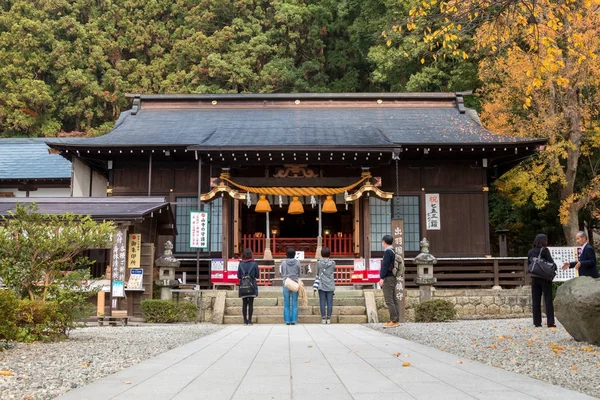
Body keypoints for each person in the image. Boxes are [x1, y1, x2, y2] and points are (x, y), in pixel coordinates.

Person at [527, 234, 556, 328]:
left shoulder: (530, 252)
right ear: (543, 241)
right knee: (548, 299)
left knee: (536, 300)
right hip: (545, 278)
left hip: (535, 278)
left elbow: (529, 265)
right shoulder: (545, 250)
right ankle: (550, 322)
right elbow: (551, 262)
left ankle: (537, 322)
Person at [379, 234, 400, 328]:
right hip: (393, 277)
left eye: (382, 242)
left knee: (389, 300)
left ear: (384, 242)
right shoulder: (393, 251)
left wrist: (381, 278)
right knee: (394, 299)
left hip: (388, 278)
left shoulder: (387, 252)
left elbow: (385, 266)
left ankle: (393, 320)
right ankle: (396, 319)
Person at [237, 248, 259, 325]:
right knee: (251, 303)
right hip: (251, 285)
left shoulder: (240, 264)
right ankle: (250, 320)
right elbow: (257, 275)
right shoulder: (254, 264)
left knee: (244, 303)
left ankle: (245, 320)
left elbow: (238, 276)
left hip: (243, 286)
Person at [281, 247, 300, 325]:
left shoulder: (283, 262)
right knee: (294, 302)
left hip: (286, 283)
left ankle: (287, 320)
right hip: (295, 283)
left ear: (286, 254)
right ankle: (294, 320)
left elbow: (282, 273)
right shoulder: (297, 262)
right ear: (294, 254)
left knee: (286, 302)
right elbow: (299, 273)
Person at [316, 246, 336, 324]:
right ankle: (329, 318)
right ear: (329, 254)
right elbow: (333, 270)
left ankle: (323, 318)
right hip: (330, 284)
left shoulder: (318, 263)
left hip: (321, 284)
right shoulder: (333, 263)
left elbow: (317, 273)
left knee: (322, 301)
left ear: (321, 254)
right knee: (330, 302)